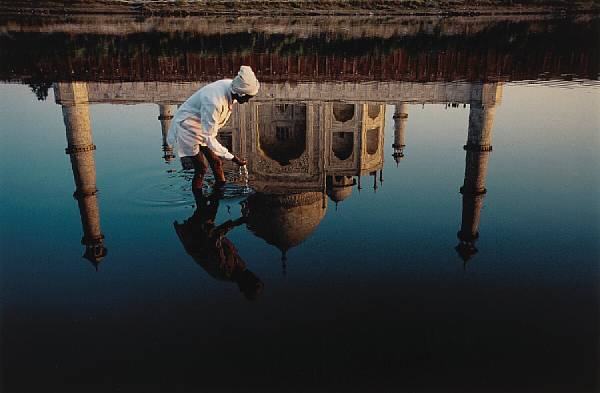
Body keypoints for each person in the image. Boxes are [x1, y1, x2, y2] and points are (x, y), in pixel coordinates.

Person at [167, 65, 259, 190]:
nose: (247, 101)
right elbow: (209, 137)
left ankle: (220, 188)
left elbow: (208, 133)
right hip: (187, 126)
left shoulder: (232, 87)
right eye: (247, 98)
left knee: (216, 162)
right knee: (201, 168)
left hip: (201, 123)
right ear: (240, 94)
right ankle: (198, 198)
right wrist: (233, 158)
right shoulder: (214, 101)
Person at [173, 188, 264, 300]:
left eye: (253, 278)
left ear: (244, 284)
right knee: (213, 199)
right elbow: (220, 239)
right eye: (255, 277)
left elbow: (214, 239)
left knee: (208, 202)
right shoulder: (240, 267)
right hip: (203, 233)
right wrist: (240, 221)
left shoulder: (225, 270)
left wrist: (238, 222)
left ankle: (200, 185)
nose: (253, 274)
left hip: (195, 235)